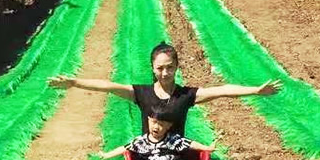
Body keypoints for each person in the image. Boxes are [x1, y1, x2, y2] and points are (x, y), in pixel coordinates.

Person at [49, 42, 281, 136]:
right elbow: (108, 86)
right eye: (160, 68)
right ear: (153, 68)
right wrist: (74, 82)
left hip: (176, 153)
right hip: (149, 151)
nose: (165, 73)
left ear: (177, 67)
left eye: (170, 67)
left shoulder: (186, 95)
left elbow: (221, 90)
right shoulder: (141, 93)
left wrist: (255, 90)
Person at [100, 107, 215, 160]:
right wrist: (107, 155)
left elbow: (189, 144)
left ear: (168, 126)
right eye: (154, 122)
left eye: (161, 124)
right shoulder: (141, 141)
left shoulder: (172, 140)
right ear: (148, 120)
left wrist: (207, 148)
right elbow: (125, 148)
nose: (156, 127)